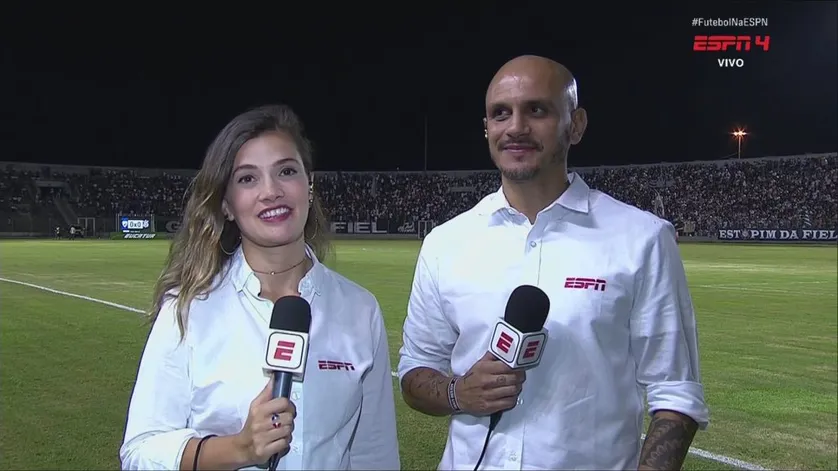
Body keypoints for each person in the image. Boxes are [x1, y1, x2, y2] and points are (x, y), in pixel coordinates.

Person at [397, 55, 709, 470]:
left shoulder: (642, 239)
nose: (516, 127)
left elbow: (676, 394)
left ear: (575, 125)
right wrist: (459, 393)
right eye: (500, 113)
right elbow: (415, 372)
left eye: (537, 110)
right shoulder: (445, 243)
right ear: (487, 128)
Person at [120, 104, 400, 471]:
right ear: (227, 205)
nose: (271, 191)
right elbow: (140, 451)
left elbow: (374, 455)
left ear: (309, 184)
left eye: (286, 171)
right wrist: (238, 449)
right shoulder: (188, 308)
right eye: (247, 179)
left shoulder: (360, 309)